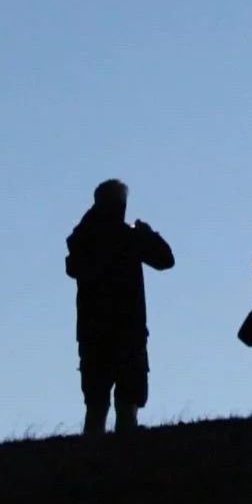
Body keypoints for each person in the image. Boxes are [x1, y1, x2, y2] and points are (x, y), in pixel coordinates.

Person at [64, 178, 175, 434]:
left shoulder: (84, 238)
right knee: (126, 405)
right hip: (126, 332)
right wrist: (147, 234)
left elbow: (73, 266)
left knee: (96, 406)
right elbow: (166, 259)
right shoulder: (127, 237)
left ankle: (94, 462)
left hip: (94, 333)